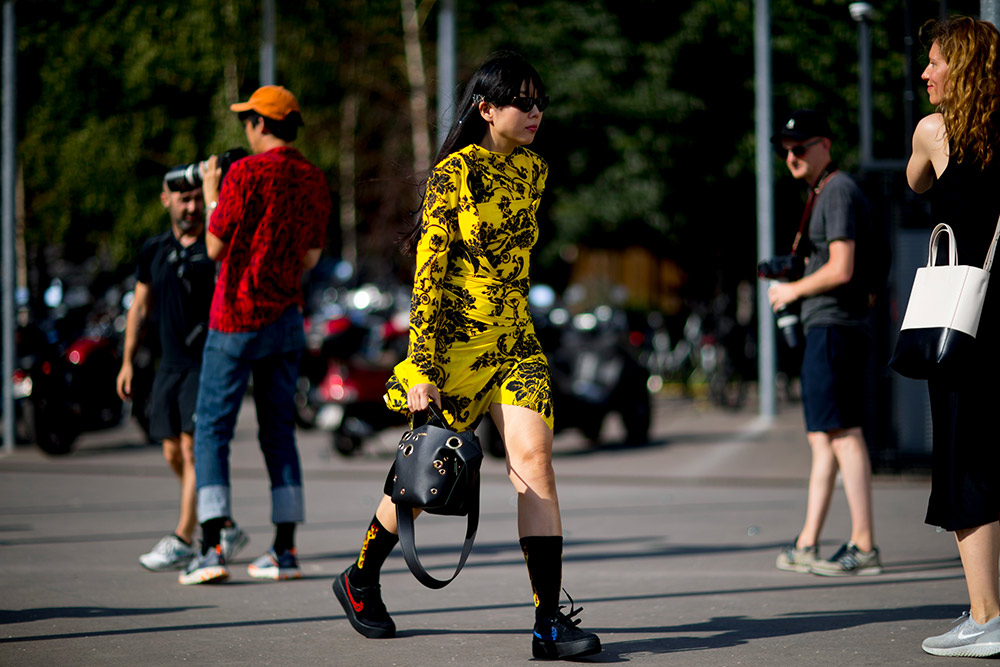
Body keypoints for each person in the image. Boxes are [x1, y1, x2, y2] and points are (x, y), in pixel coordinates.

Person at [330, 51, 601, 661]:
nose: (535, 113)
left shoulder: (534, 172)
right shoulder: (455, 175)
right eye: (522, 102)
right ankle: (361, 577)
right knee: (429, 480)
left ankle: (548, 625)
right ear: (487, 108)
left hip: (514, 341)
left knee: (536, 460)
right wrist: (421, 365)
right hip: (453, 347)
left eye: (540, 102)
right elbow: (429, 275)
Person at [178, 85, 331, 585]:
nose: (246, 126)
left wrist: (209, 194)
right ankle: (284, 550)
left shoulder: (243, 174)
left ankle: (211, 547)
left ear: (261, 124)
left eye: (248, 119)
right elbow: (309, 258)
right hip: (285, 318)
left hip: (236, 315)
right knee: (278, 434)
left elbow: (216, 246)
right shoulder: (313, 178)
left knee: (211, 431)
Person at [906, 15, 1000, 658]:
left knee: (967, 463)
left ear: (960, 68)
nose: (925, 73)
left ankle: (987, 616)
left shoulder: (937, 132)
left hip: (967, 323)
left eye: (936, 62)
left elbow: (917, 182)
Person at [767, 109, 882, 577]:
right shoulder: (824, 192)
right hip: (829, 325)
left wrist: (791, 289)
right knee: (823, 438)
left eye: (801, 147)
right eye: (786, 149)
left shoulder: (837, 190)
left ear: (825, 145)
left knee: (844, 434)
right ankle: (808, 541)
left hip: (835, 325)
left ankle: (865, 544)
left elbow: (841, 268)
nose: (791, 156)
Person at [117, 178, 249, 572]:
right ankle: (222, 522)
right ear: (166, 200)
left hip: (206, 363)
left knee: (193, 450)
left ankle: (184, 536)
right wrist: (127, 361)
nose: (191, 207)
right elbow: (139, 308)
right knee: (173, 452)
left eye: (196, 198)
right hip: (167, 366)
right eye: (183, 199)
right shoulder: (153, 250)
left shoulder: (214, 250)